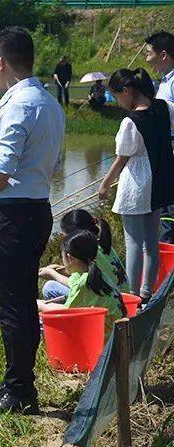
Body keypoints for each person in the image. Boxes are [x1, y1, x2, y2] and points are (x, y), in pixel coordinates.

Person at [0, 27, 65, 415]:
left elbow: (1, 168)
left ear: (0, 61)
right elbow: (54, 165)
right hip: (39, 210)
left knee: (11, 305)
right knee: (21, 301)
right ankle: (17, 383)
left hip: (13, 216)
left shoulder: (18, 104)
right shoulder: (50, 103)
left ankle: (19, 392)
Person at [99, 68, 174, 301]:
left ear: (128, 91)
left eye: (118, 96)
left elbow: (121, 158)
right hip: (160, 183)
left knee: (134, 243)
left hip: (137, 185)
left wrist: (104, 184)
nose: (119, 102)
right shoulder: (164, 108)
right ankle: (146, 293)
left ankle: (132, 296)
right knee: (151, 242)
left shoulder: (131, 121)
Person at [38, 230, 125, 334]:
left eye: (63, 257)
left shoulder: (84, 284)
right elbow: (72, 282)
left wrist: (40, 305)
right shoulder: (96, 272)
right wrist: (52, 273)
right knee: (51, 288)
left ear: (70, 258)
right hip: (116, 330)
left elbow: (64, 313)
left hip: (104, 339)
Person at [42, 209, 127, 300]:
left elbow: (78, 285)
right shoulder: (103, 243)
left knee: (50, 287)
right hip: (124, 294)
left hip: (111, 298)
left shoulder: (89, 251)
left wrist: (53, 274)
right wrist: (59, 269)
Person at [144, 32, 174, 241]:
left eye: (148, 53)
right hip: (166, 152)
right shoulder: (165, 81)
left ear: (163, 55)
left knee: (169, 215)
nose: (147, 60)